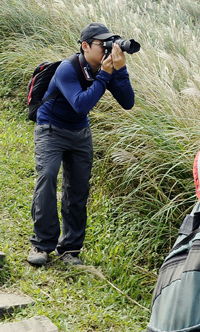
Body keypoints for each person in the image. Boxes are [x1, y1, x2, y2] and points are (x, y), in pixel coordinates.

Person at [27, 22, 135, 267]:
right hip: (51, 128)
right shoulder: (67, 68)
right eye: (102, 44)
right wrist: (106, 75)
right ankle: (42, 245)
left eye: (110, 43)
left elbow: (128, 102)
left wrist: (121, 70)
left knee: (78, 189)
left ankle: (70, 249)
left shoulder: (106, 67)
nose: (107, 49)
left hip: (80, 133)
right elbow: (80, 104)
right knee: (47, 178)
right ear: (85, 46)